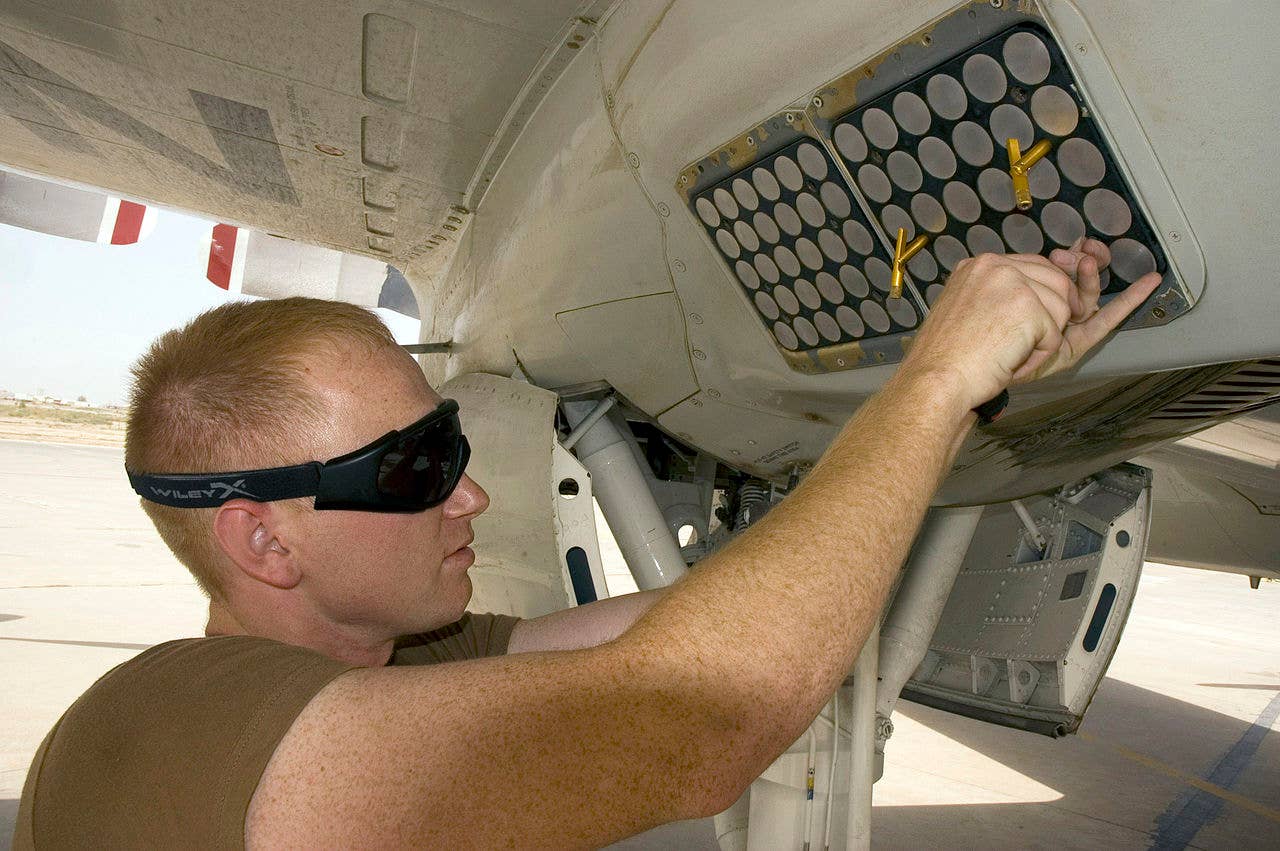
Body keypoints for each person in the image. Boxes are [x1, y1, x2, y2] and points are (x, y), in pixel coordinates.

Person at [14, 242, 1159, 848]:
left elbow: (697, 623)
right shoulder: (166, 717)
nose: (466, 494)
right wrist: (928, 383)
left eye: (447, 441)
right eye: (410, 469)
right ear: (260, 538)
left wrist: (953, 413)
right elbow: (694, 712)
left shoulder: (397, 661)